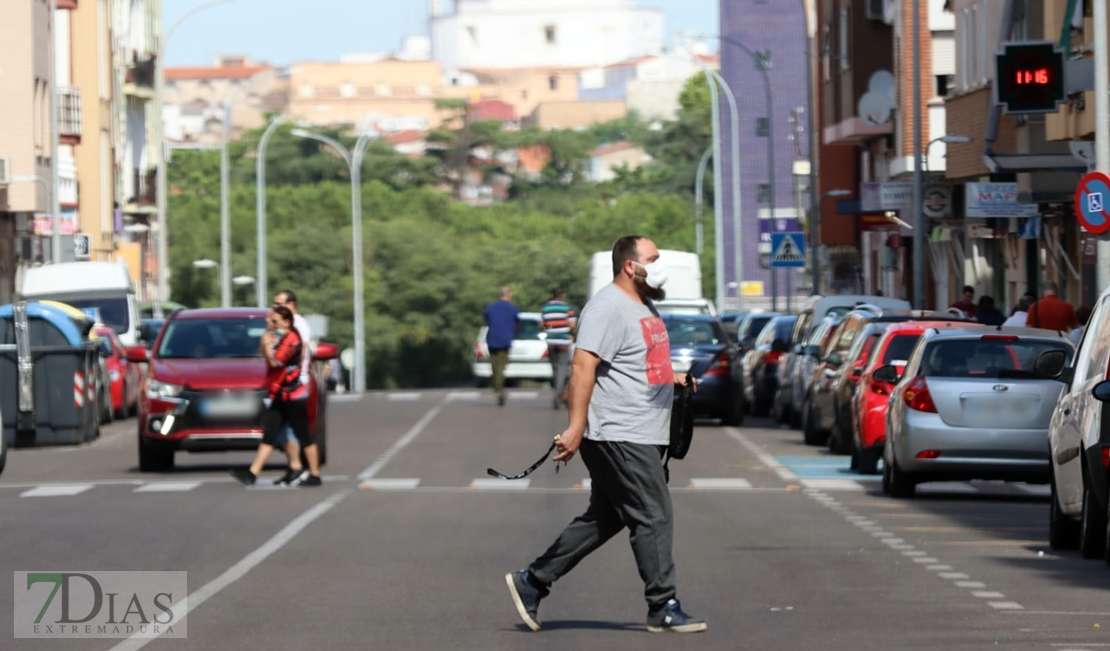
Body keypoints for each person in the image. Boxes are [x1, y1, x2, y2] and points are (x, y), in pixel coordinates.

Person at [504, 235, 706, 634]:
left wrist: (674, 378)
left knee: (608, 516)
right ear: (631, 266)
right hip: (619, 432)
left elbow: (637, 363)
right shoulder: (607, 307)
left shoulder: (642, 304)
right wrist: (576, 428)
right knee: (653, 513)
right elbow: (582, 368)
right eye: (653, 258)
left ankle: (533, 580)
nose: (659, 264)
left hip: (641, 429)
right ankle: (662, 604)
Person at [230, 306, 321, 487]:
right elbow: (267, 355)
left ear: (286, 322)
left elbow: (276, 361)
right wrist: (266, 344)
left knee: (304, 436)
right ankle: (252, 473)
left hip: (293, 396)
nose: (271, 324)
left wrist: (266, 345)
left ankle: (315, 474)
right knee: (269, 433)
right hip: (280, 395)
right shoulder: (281, 338)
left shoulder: (293, 341)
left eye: (275, 321)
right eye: (270, 321)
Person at [270, 290, 315, 484]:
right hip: (284, 386)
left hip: (296, 385)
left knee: (298, 432)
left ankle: (310, 473)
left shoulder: (298, 325)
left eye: (280, 304)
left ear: (292, 305)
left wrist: (296, 371)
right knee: (285, 431)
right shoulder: (282, 325)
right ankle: (295, 468)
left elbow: (300, 350)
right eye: (274, 304)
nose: (275, 308)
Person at [541, 287, 576, 409]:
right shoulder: (567, 308)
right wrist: (572, 334)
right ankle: (558, 395)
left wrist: (551, 331)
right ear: (562, 295)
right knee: (562, 368)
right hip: (563, 341)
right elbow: (572, 325)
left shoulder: (546, 308)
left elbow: (544, 325)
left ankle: (560, 393)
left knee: (555, 368)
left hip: (550, 341)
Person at [484, 286, 520, 406]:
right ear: (509, 296)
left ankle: (497, 387)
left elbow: (487, 321)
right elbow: (516, 324)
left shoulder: (491, 307)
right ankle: (499, 389)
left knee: (494, 366)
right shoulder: (513, 308)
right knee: (501, 366)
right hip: (505, 340)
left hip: (492, 339)